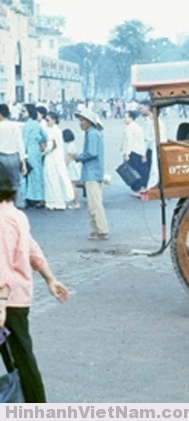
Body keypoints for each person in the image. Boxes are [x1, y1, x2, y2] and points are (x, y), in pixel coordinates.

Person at [0, 162, 70, 402]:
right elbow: (32, 249)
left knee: (18, 361)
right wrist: (50, 278)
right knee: (21, 357)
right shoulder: (16, 215)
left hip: (6, 300)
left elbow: (1, 268)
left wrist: (0, 305)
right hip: (18, 298)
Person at [70, 107, 110, 240]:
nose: (80, 123)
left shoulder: (92, 134)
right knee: (93, 204)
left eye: (82, 120)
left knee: (95, 204)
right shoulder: (93, 133)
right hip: (93, 172)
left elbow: (92, 153)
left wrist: (78, 157)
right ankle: (95, 230)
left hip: (92, 172)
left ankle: (102, 230)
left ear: (89, 121)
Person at [42, 112, 74, 210]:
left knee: (53, 180)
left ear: (54, 120)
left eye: (48, 120)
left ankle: (56, 202)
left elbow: (51, 146)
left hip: (52, 158)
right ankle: (55, 202)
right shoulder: (55, 130)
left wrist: (42, 151)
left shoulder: (53, 131)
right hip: (56, 157)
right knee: (55, 180)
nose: (47, 122)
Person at [0, 103, 27, 209]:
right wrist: (23, 163)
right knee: (16, 182)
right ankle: (18, 204)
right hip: (14, 157)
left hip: (1, 156)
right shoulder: (15, 127)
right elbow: (20, 145)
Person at [21, 104, 48, 209]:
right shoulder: (37, 124)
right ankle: (39, 197)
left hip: (29, 151)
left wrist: (23, 153)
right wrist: (41, 143)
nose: (22, 113)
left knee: (27, 174)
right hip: (36, 151)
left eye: (24, 111)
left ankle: (29, 197)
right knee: (37, 174)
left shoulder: (27, 125)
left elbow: (24, 141)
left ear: (29, 112)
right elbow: (44, 136)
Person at [120, 110, 147, 195]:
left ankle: (136, 188)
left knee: (132, 171)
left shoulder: (129, 128)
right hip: (138, 151)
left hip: (133, 151)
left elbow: (129, 141)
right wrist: (143, 154)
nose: (124, 119)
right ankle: (139, 187)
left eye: (126, 117)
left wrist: (127, 153)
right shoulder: (137, 126)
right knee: (137, 170)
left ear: (131, 118)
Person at [62, 128, 82, 210]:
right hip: (75, 166)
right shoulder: (72, 144)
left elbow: (69, 157)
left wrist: (64, 165)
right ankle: (75, 202)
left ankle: (76, 202)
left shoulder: (69, 146)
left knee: (72, 185)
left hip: (71, 167)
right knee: (74, 184)